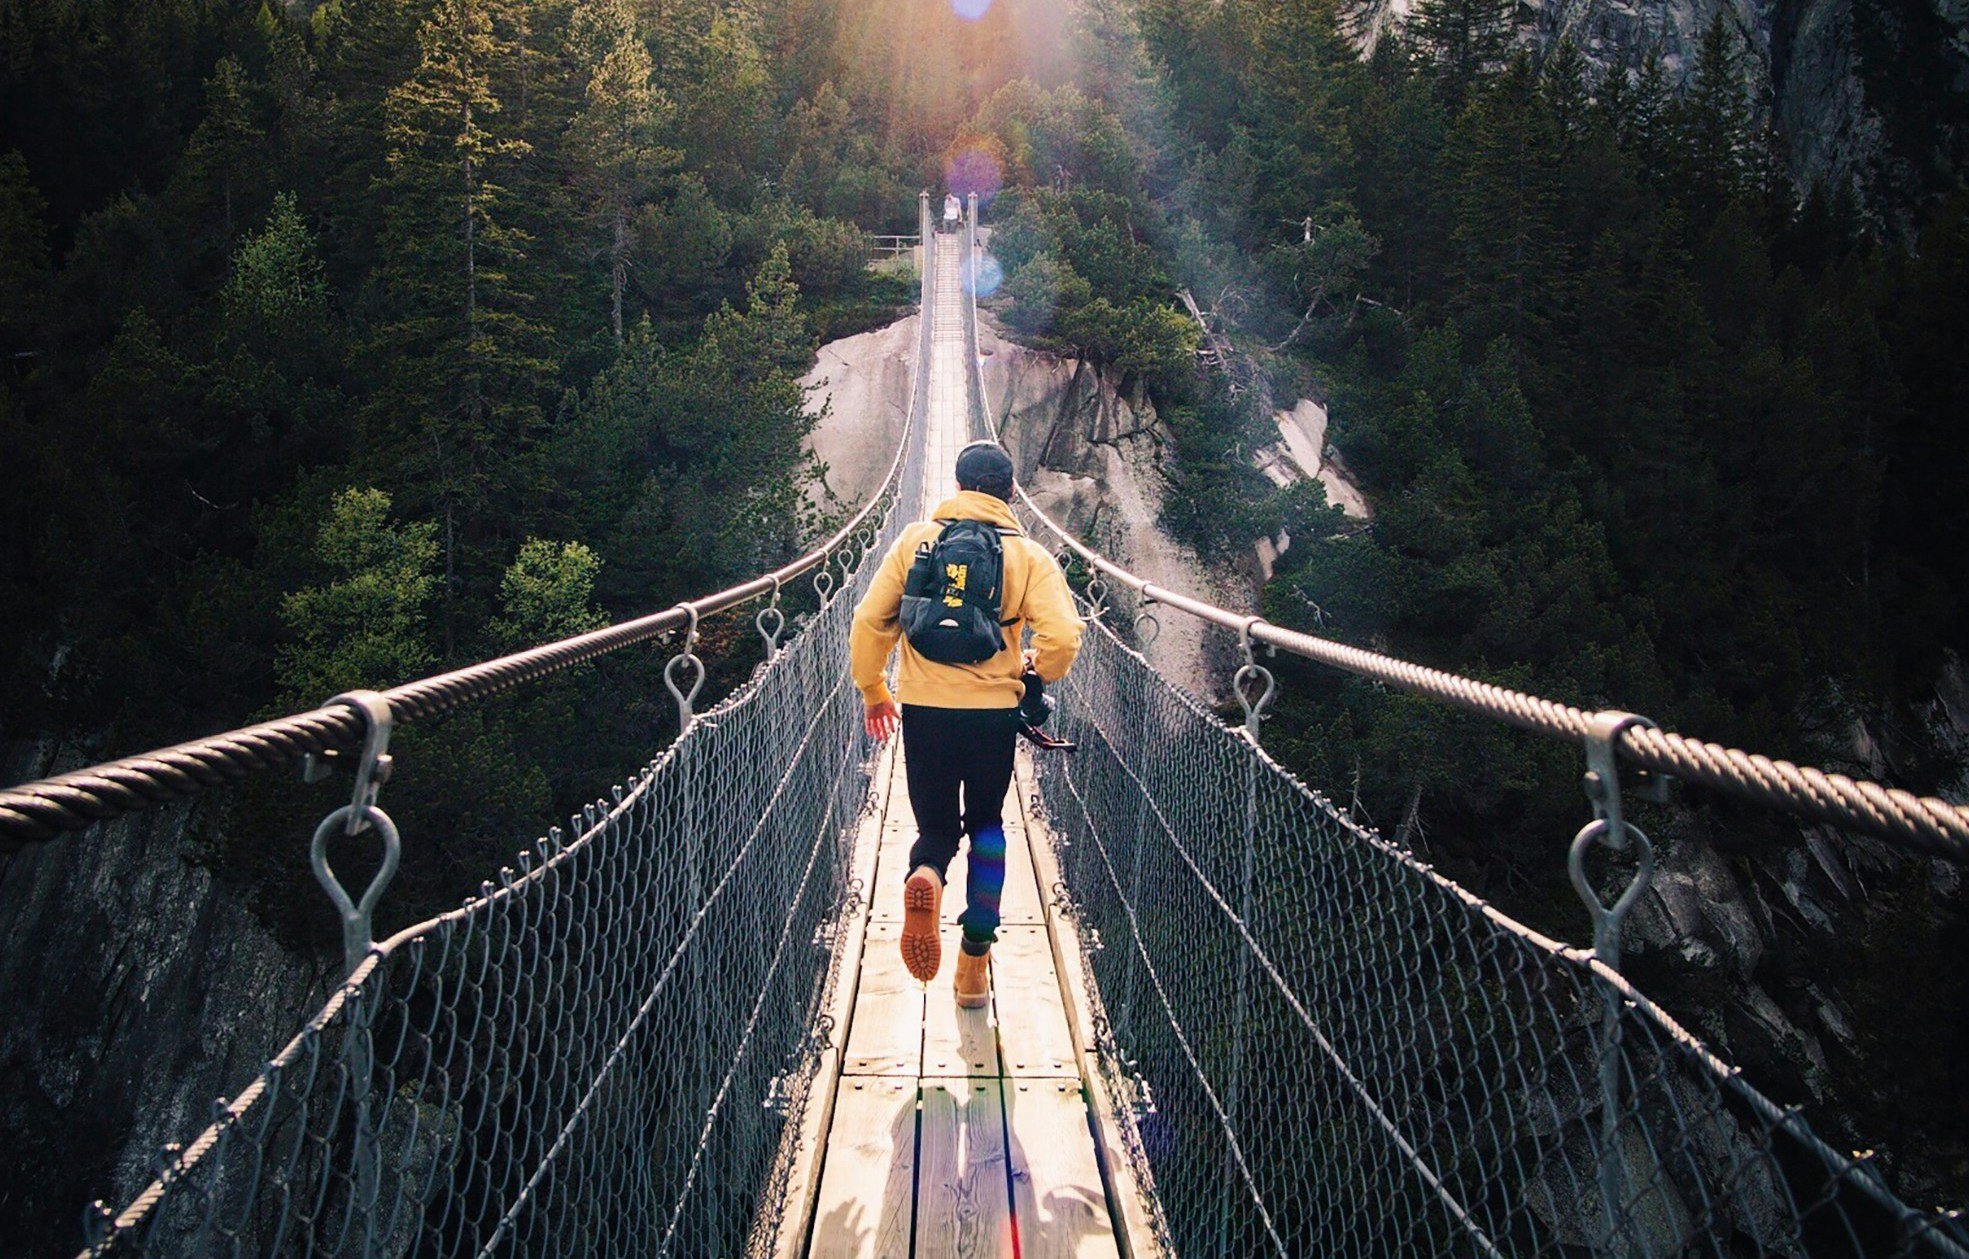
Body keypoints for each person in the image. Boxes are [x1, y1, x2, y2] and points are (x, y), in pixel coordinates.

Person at [849, 441, 1082, 1007]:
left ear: (956, 488)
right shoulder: (1028, 556)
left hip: (925, 711)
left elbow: (868, 621)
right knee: (986, 828)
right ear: (1009, 492)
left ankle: (926, 871)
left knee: (935, 827)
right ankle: (973, 964)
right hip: (992, 718)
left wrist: (874, 690)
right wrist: (1032, 672)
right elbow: (1064, 638)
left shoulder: (915, 541)